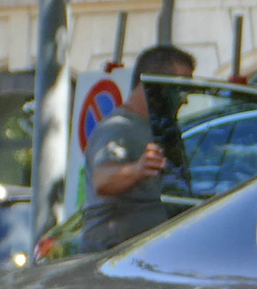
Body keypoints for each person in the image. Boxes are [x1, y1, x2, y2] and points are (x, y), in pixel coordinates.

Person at [79, 44, 195, 251]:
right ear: (153, 85)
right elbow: (102, 179)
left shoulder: (160, 128)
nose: (185, 99)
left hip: (148, 253)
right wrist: (136, 170)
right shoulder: (119, 128)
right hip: (115, 256)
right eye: (180, 88)